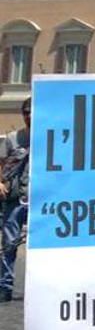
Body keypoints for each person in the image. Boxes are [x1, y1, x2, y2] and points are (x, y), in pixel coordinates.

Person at [0, 98, 30, 303]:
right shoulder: (12, 138)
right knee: (9, 243)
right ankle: (5, 286)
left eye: (33, 111)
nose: (30, 115)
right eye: (26, 112)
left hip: (41, 199)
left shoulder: (49, 137)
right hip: (15, 198)